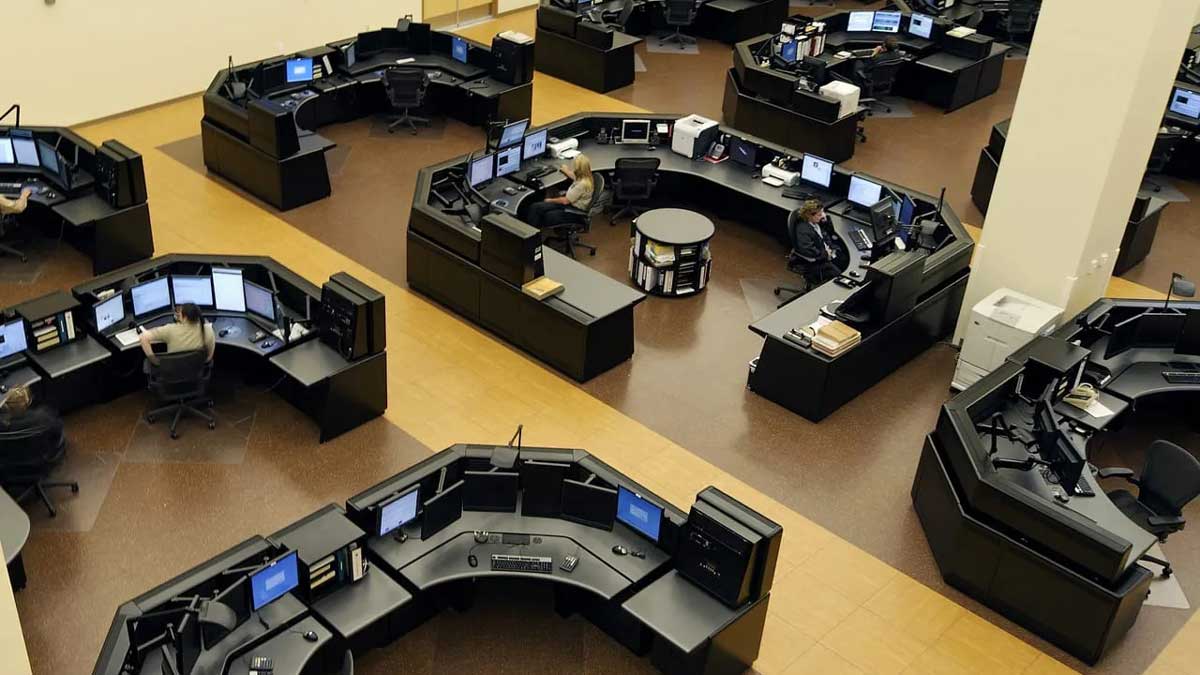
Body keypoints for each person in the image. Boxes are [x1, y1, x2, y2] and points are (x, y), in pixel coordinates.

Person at [138, 302, 216, 369]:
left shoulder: (170, 330)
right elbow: (209, 358)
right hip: (195, 376)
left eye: (180, 314)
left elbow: (143, 337)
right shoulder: (208, 330)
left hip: (171, 376)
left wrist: (155, 361)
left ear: (185, 317)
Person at [526, 154, 594, 229]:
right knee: (536, 207)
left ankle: (532, 235)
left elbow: (565, 201)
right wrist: (565, 169)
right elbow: (573, 176)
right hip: (571, 205)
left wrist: (549, 200)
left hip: (574, 211)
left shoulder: (582, 184)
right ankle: (533, 232)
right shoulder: (585, 177)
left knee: (544, 213)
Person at [791, 200, 841, 284]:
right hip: (815, 261)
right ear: (809, 215)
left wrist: (826, 220)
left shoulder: (815, 222)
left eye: (823, 213)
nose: (822, 216)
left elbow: (826, 235)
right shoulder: (803, 230)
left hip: (826, 252)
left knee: (844, 260)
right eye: (819, 214)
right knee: (838, 275)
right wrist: (825, 254)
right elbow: (808, 250)